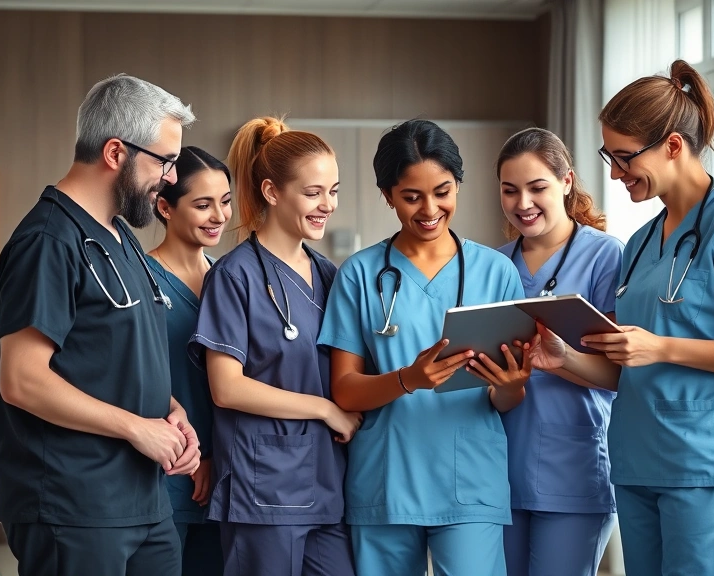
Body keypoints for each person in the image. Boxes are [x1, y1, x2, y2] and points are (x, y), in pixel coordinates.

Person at [521, 60, 714, 576]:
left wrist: (665, 346)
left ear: (673, 146)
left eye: (625, 157)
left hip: (706, 465)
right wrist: (564, 360)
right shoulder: (640, 243)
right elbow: (627, 367)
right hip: (639, 462)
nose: (613, 172)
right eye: (609, 157)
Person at [0, 74, 202, 576]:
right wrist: (137, 429)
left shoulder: (119, 236)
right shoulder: (48, 241)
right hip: (74, 505)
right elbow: (21, 380)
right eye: (165, 161)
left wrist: (172, 415)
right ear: (115, 153)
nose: (171, 177)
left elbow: (117, 355)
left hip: (144, 502)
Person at [317, 119, 536, 576]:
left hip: (471, 477)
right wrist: (407, 379)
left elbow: (506, 398)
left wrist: (513, 384)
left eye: (443, 191)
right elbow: (345, 390)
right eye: (411, 197)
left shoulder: (497, 273)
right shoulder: (359, 275)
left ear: (458, 184)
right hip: (387, 480)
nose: (430, 209)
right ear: (387, 194)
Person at [187, 116, 359, 576]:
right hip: (263, 489)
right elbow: (227, 388)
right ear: (270, 192)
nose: (328, 205)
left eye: (334, 191)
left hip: (326, 484)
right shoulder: (234, 276)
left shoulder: (329, 276)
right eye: (313, 193)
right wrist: (324, 409)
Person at [494, 127, 622, 576]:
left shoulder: (605, 256)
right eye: (510, 191)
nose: (522, 203)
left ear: (567, 182)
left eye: (537, 187)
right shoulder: (495, 263)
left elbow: (619, 372)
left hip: (574, 465)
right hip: (499, 468)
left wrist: (563, 359)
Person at [145, 145, 231, 575]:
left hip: (225, 474)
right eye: (203, 204)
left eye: (225, 202)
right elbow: (130, 378)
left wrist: (216, 457)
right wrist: (193, 455)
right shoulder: (140, 280)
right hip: (166, 472)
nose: (218, 215)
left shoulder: (230, 279)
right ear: (164, 206)